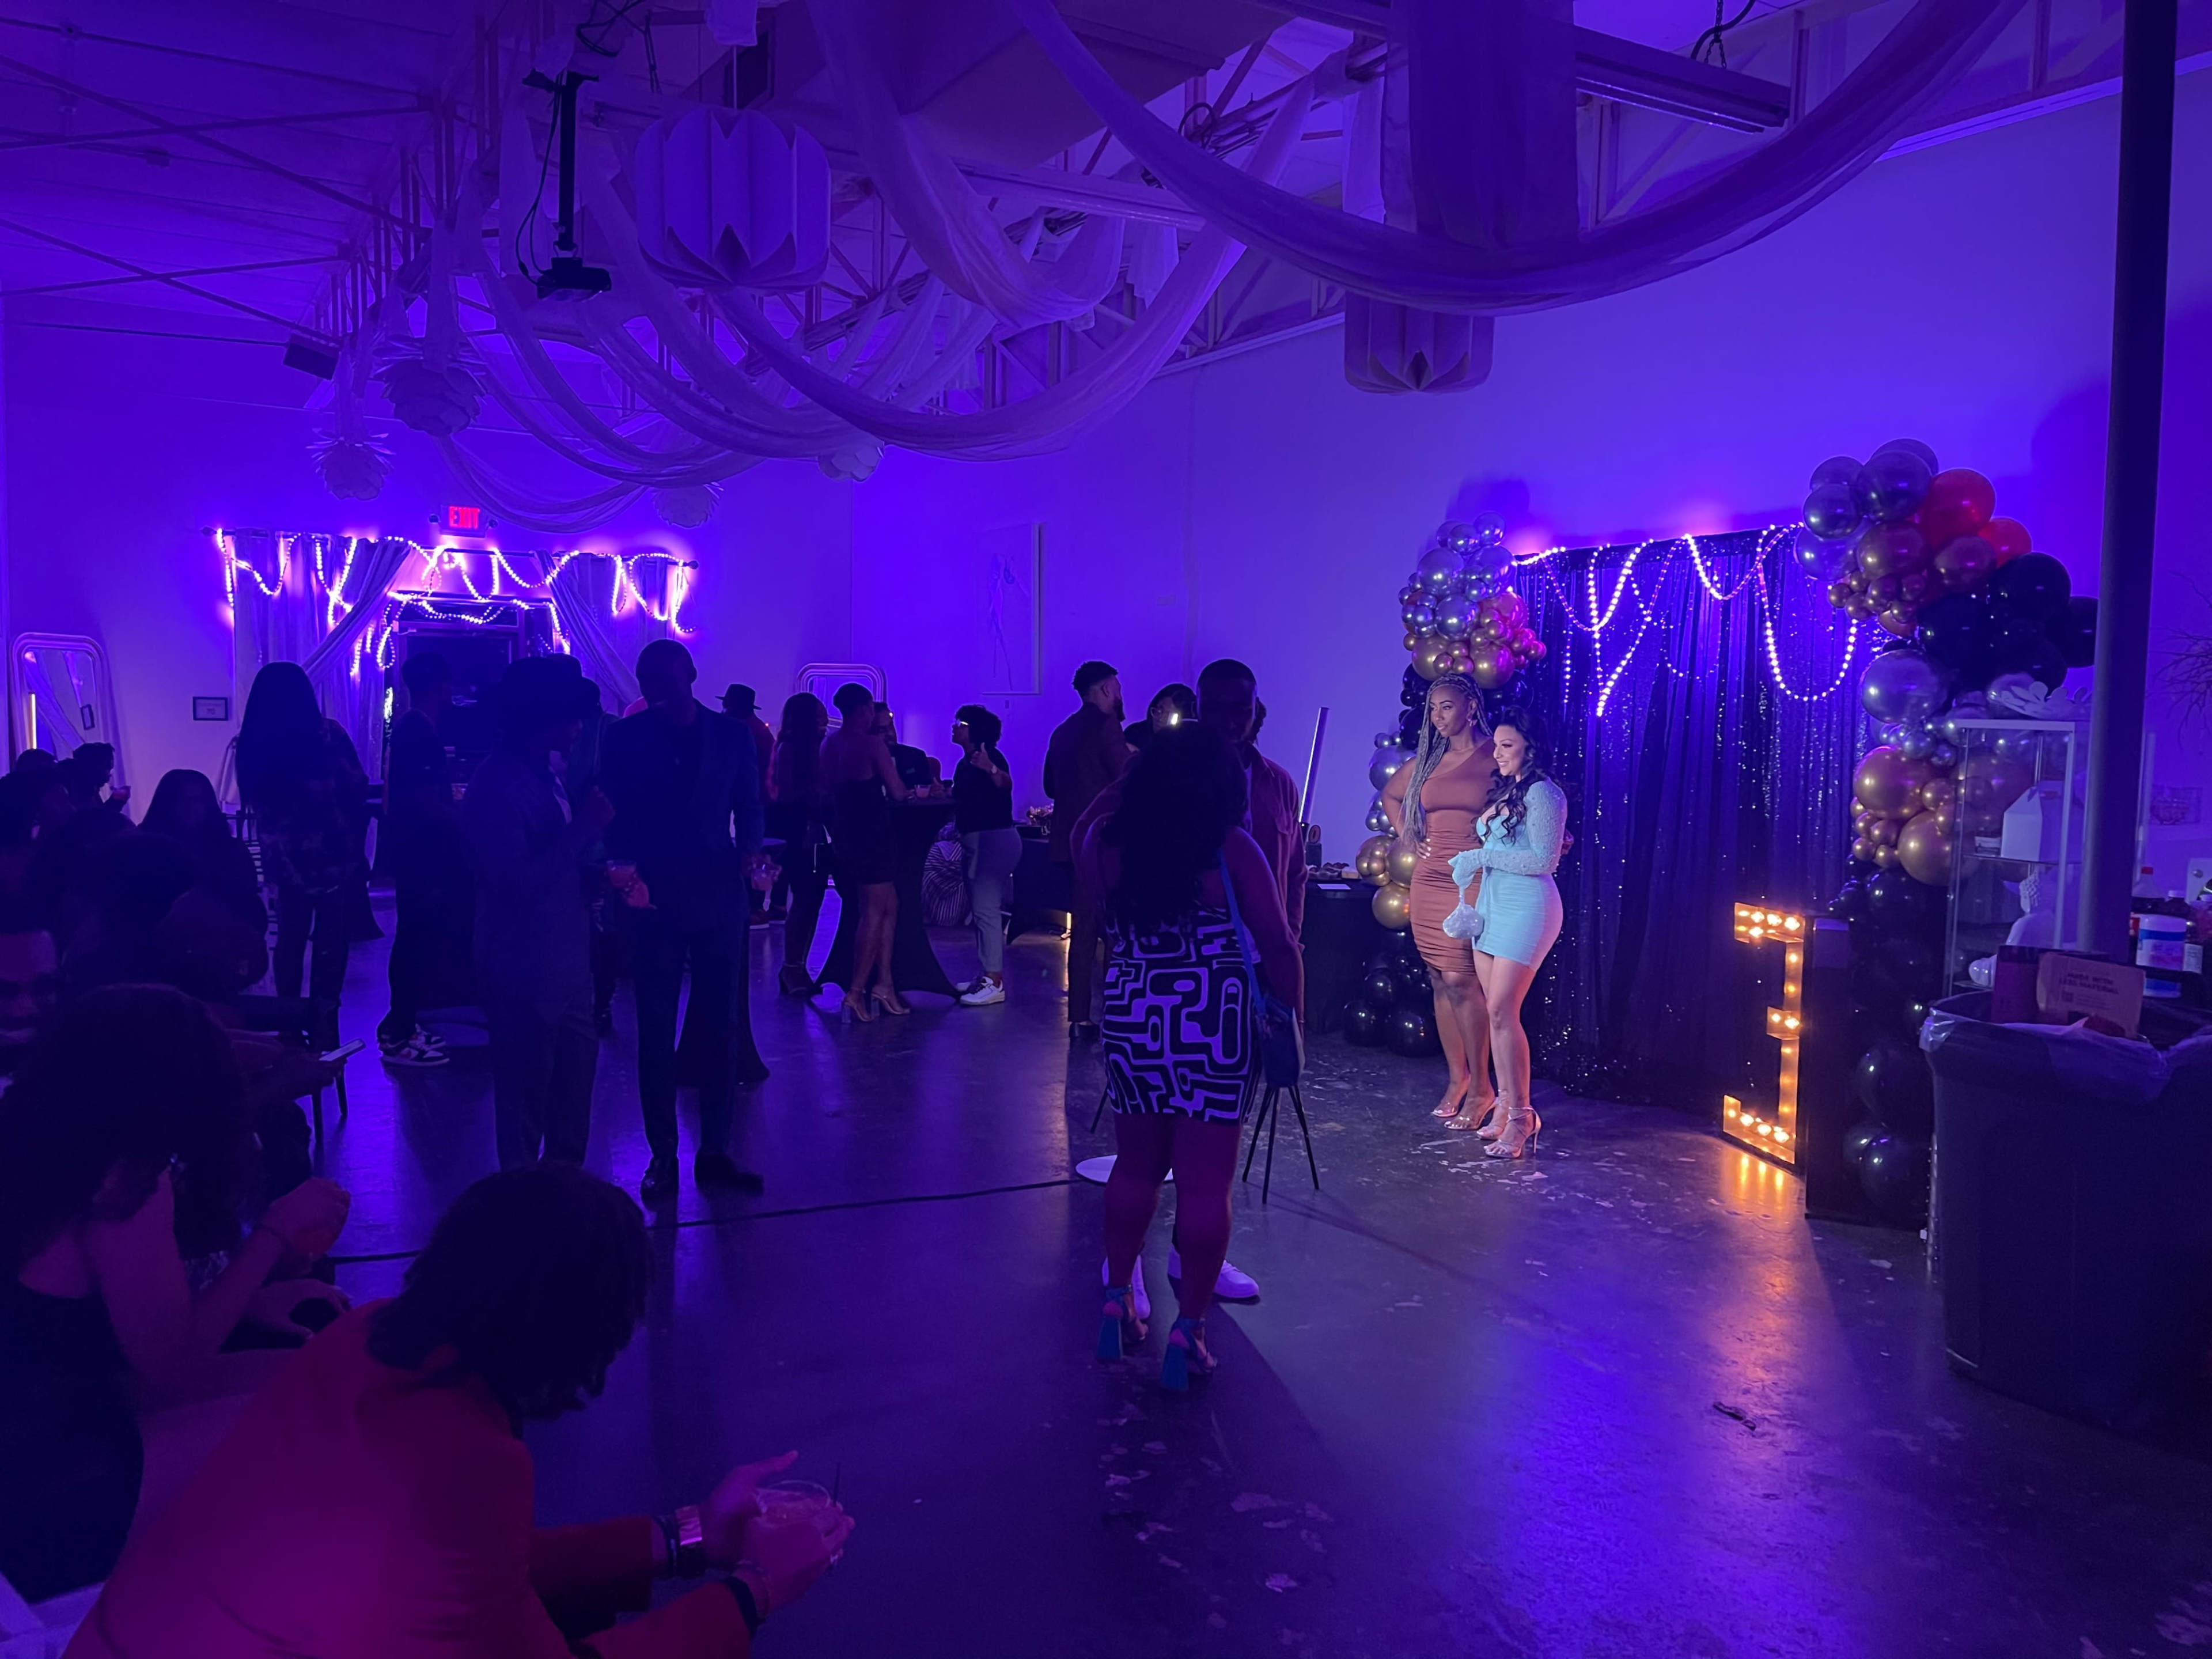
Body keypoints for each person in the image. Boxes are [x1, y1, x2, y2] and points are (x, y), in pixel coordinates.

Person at [70, 1164, 854, 1657]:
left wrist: (686, 1538)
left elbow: (479, 1581)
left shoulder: (361, 1341)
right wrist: (755, 1592)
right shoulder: (467, 1463)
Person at [0, 985, 350, 1603]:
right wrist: (274, 1232)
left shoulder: (36, 1141)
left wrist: (245, 1299)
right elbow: (172, 1366)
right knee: (321, 1415)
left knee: (315, 1376)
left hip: (37, 1417)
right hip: (49, 1476)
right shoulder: (123, 1181)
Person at [1079, 725, 1302, 1392]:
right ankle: (1190, 1331)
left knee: (1136, 1164)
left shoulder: (1104, 845)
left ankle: (1117, 1300)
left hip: (1133, 1009)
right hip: (1214, 1016)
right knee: (1206, 1185)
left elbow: (1086, 868)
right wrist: (1291, 1017)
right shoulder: (1231, 848)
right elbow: (1279, 943)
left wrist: (1122, 790)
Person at [600, 641, 768, 1203]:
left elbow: (749, 802)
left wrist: (749, 851)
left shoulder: (730, 733)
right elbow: (613, 813)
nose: (655, 690)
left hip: (716, 891)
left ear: (689, 676)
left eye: (664, 680)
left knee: (720, 1027)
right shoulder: (625, 737)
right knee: (654, 1028)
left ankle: (713, 1149)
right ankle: (664, 1155)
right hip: (655, 896)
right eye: (649, 681)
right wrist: (621, 875)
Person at [463, 658, 610, 1172]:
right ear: (544, 720)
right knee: (526, 1105)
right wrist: (583, 831)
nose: (578, 729)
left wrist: (599, 877)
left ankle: (563, 1205)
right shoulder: (496, 787)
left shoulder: (539, 774)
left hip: (565, 962)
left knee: (572, 1100)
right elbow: (514, 882)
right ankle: (527, 1215)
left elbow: (548, 872)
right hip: (521, 967)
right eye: (571, 718)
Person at [1381, 673, 1500, 1130]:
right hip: (1430, 878)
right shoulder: (1430, 760)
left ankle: (1483, 1088)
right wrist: (1409, 833)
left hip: (1472, 875)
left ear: (1471, 706)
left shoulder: (1495, 754)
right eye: (1432, 709)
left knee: (1460, 977)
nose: (1437, 717)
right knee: (1437, 976)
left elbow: (1527, 796)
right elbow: (1392, 794)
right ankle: (1458, 1079)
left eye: (1446, 707)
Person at [1449, 709, 1567, 1160]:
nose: (1496, 753)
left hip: (1529, 908)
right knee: (1495, 1014)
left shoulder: (1544, 793)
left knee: (1502, 1010)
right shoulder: (1511, 790)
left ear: (1529, 749)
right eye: (1496, 745)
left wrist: (1481, 858)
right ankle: (1506, 1106)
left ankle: (1522, 1117)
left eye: (1506, 746)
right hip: (1492, 907)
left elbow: (1543, 861)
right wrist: (1483, 861)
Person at [236, 662, 368, 1050]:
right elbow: (355, 786)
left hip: (283, 855)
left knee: (290, 939)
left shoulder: (255, 742)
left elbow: (256, 801)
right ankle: (325, 1018)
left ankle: (289, 1020)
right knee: (332, 939)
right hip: (332, 852)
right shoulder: (326, 734)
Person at [378, 652, 461, 1067]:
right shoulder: (421, 734)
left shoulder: (410, 729)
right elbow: (428, 803)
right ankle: (400, 1029)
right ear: (442, 686)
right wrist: (463, 817)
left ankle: (403, 1024)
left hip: (411, 850)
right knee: (414, 938)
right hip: (424, 853)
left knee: (412, 935)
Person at [1044, 660, 1128, 1040]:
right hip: (1106, 842)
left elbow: (1049, 785)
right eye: (1118, 687)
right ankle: (1118, 1014)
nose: (1121, 695)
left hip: (1069, 842)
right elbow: (1128, 779)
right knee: (1114, 931)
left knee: (1083, 930)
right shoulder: (1107, 727)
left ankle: (1079, 1017)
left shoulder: (1062, 731)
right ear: (1107, 689)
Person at [1196, 660, 1306, 942]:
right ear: (1197, 709)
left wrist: (1289, 940)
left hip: (1262, 949)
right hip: (1190, 953)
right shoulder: (1169, 776)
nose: (1228, 721)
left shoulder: (1279, 783)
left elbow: (1295, 873)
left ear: (1256, 711)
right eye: (1214, 709)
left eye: (1240, 710)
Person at [820, 681, 911, 1021]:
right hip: (874, 835)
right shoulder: (872, 745)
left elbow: (824, 789)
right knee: (874, 912)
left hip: (845, 836)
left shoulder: (829, 744)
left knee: (889, 906)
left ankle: (884, 984)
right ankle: (856, 991)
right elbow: (898, 793)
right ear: (863, 710)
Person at [949, 705, 1019, 1007]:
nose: (955, 727)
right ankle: (986, 975)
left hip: (993, 841)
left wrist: (989, 768)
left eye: (961, 723)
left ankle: (995, 981)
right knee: (981, 912)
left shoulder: (988, 757)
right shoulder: (967, 762)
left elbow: (1005, 782)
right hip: (979, 841)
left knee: (986, 911)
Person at [768, 692, 830, 997]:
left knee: (812, 901)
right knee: (806, 900)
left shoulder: (802, 748)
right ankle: (792, 966)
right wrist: (819, 793)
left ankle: (798, 966)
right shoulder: (791, 749)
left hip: (807, 830)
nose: (824, 724)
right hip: (799, 832)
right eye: (819, 718)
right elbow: (785, 795)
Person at [722, 686, 777, 918]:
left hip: (759, 799)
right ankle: (758, 905)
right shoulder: (758, 730)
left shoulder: (743, 732)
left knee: (755, 849)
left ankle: (753, 907)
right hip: (764, 797)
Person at [877, 703, 939, 793]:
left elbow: (930, 789)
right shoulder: (862, 764)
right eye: (881, 730)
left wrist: (935, 790)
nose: (890, 733)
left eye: (891, 726)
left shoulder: (916, 756)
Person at [1125, 683, 1196, 752]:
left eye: (1170, 716)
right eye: (1159, 710)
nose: (1161, 719)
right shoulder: (1135, 734)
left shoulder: (1192, 744)